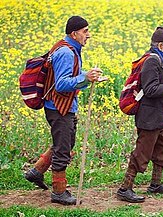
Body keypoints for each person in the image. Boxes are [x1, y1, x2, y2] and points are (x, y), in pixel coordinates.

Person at [24, 16, 103, 205]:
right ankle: (59, 192)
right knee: (63, 149)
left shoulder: (67, 47)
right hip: (59, 108)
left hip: (61, 106)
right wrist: (85, 76)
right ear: (74, 34)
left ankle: (36, 171)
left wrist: (87, 79)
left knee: (65, 143)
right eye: (85, 31)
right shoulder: (66, 53)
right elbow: (61, 84)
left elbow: (67, 79)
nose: (88, 35)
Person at [116, 27, 163, 203]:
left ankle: (156, 184)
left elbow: (156, 83)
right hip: (149, 117)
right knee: (142, 152)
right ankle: (124, 189)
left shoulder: (159, 59)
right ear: (161, 45)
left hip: (158, 116)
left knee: (161, 148)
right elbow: (150, 89)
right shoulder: (152, 61)